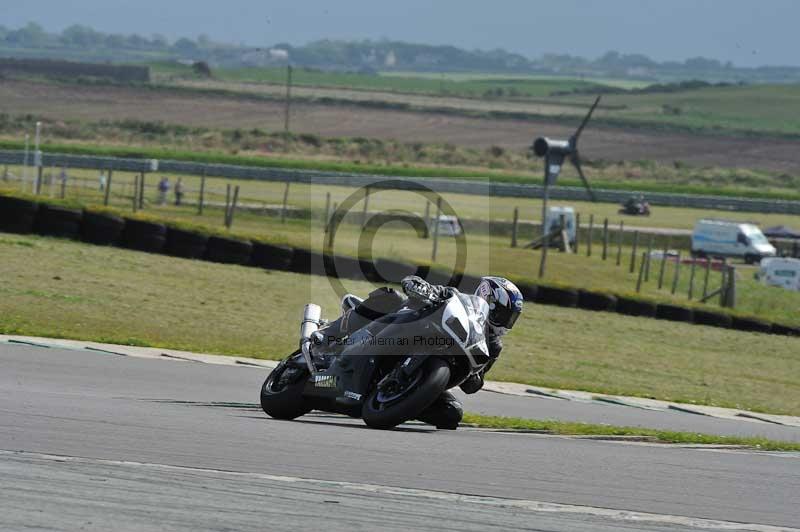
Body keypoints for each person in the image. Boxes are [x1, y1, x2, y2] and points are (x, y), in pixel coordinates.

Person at [315, 275, 524, 429]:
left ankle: (397, 401)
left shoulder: (493, 345)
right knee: (390, 297)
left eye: (511, 317)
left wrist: (475, 376)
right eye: (505, 314)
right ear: (489, 301)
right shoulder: (457, 299)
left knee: (452, 414)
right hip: (404, 335)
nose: (507, 322)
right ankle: (327, 336)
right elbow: (416, 284)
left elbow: (474, 384)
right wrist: (420, 288)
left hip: (429, 371)